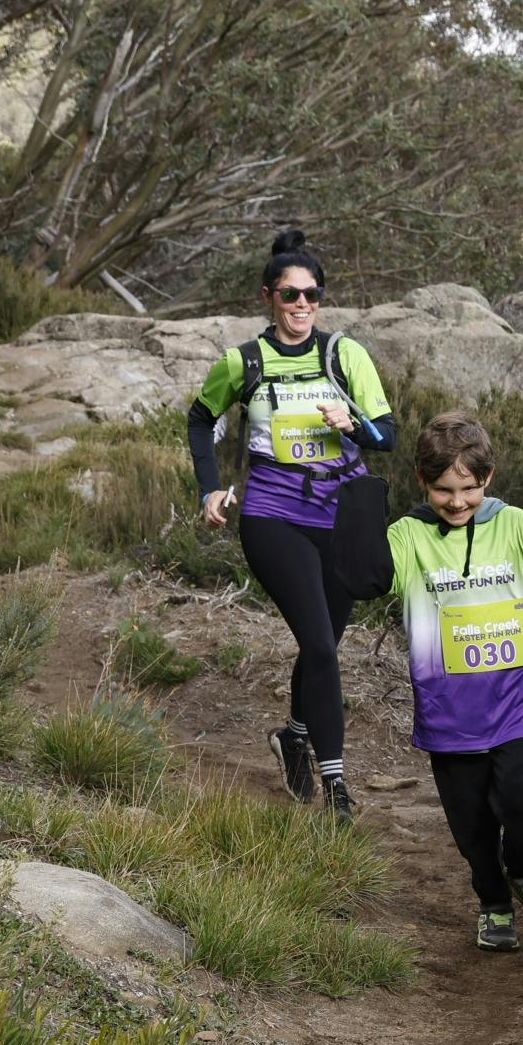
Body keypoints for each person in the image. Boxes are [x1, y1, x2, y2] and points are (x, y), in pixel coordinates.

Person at [186, 230, 395, 822]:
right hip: (274, 514)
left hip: (344, 516)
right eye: (289, 295)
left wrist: (351, 423)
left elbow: (387, 436)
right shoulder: (243, 362)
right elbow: (200, 420)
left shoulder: (345, 356)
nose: (302, 305)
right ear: (268, 297)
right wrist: (209, 488)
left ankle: (293, 736)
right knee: (322, 646)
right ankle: (337, 786)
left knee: (322, 643)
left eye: (312, 295)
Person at [382, 413, 523, 951]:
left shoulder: (517, 527)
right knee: (472, 825)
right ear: (421, 481)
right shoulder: (408, 536)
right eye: (443, 490)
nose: (457, 502)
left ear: (489, 477)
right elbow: (367, 577)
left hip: (514, 704)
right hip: (447, 712)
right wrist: (358, 499)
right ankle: (493, 900)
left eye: (469, 489)